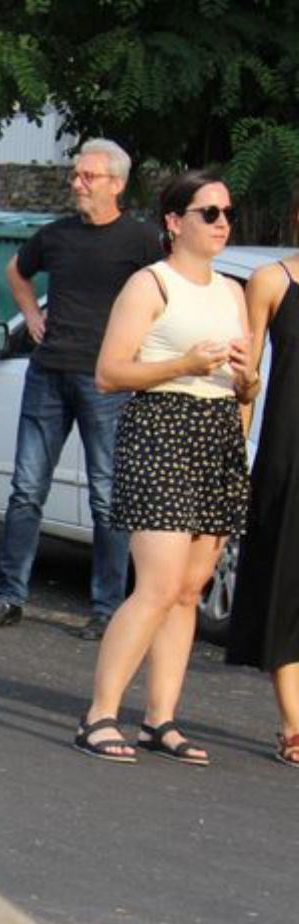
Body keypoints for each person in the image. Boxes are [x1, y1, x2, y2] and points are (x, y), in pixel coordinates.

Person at [75, 170, 258, 763]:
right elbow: (110, 372)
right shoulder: (150, 285)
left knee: (186, 590)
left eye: (227, 212)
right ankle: (100, 714)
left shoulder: (232, 293)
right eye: (209, 213)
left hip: (217, 432)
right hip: (162, 427)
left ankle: (161, 718)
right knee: (154, 585)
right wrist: (183, 363)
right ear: (175, 223)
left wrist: (246, 381)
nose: (223, 223)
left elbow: (242, 383)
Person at [0, 139, 162, 638]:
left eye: (88, 177)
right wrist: (33, 315)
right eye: (76, 175)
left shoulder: (142, 241)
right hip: (48, 372)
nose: (76, 183)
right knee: (26, 490)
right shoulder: (56, 235)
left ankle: (107, 609)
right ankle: (8, 596)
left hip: (107, 379)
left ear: (117, 185)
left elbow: (163, 296)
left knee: (107, 495)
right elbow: (16, 271)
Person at [226, 230, 295, 768]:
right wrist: (235, 457)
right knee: (285, 588)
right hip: (288, 454)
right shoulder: (272, 280)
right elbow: (244, 377)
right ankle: (296, 724)